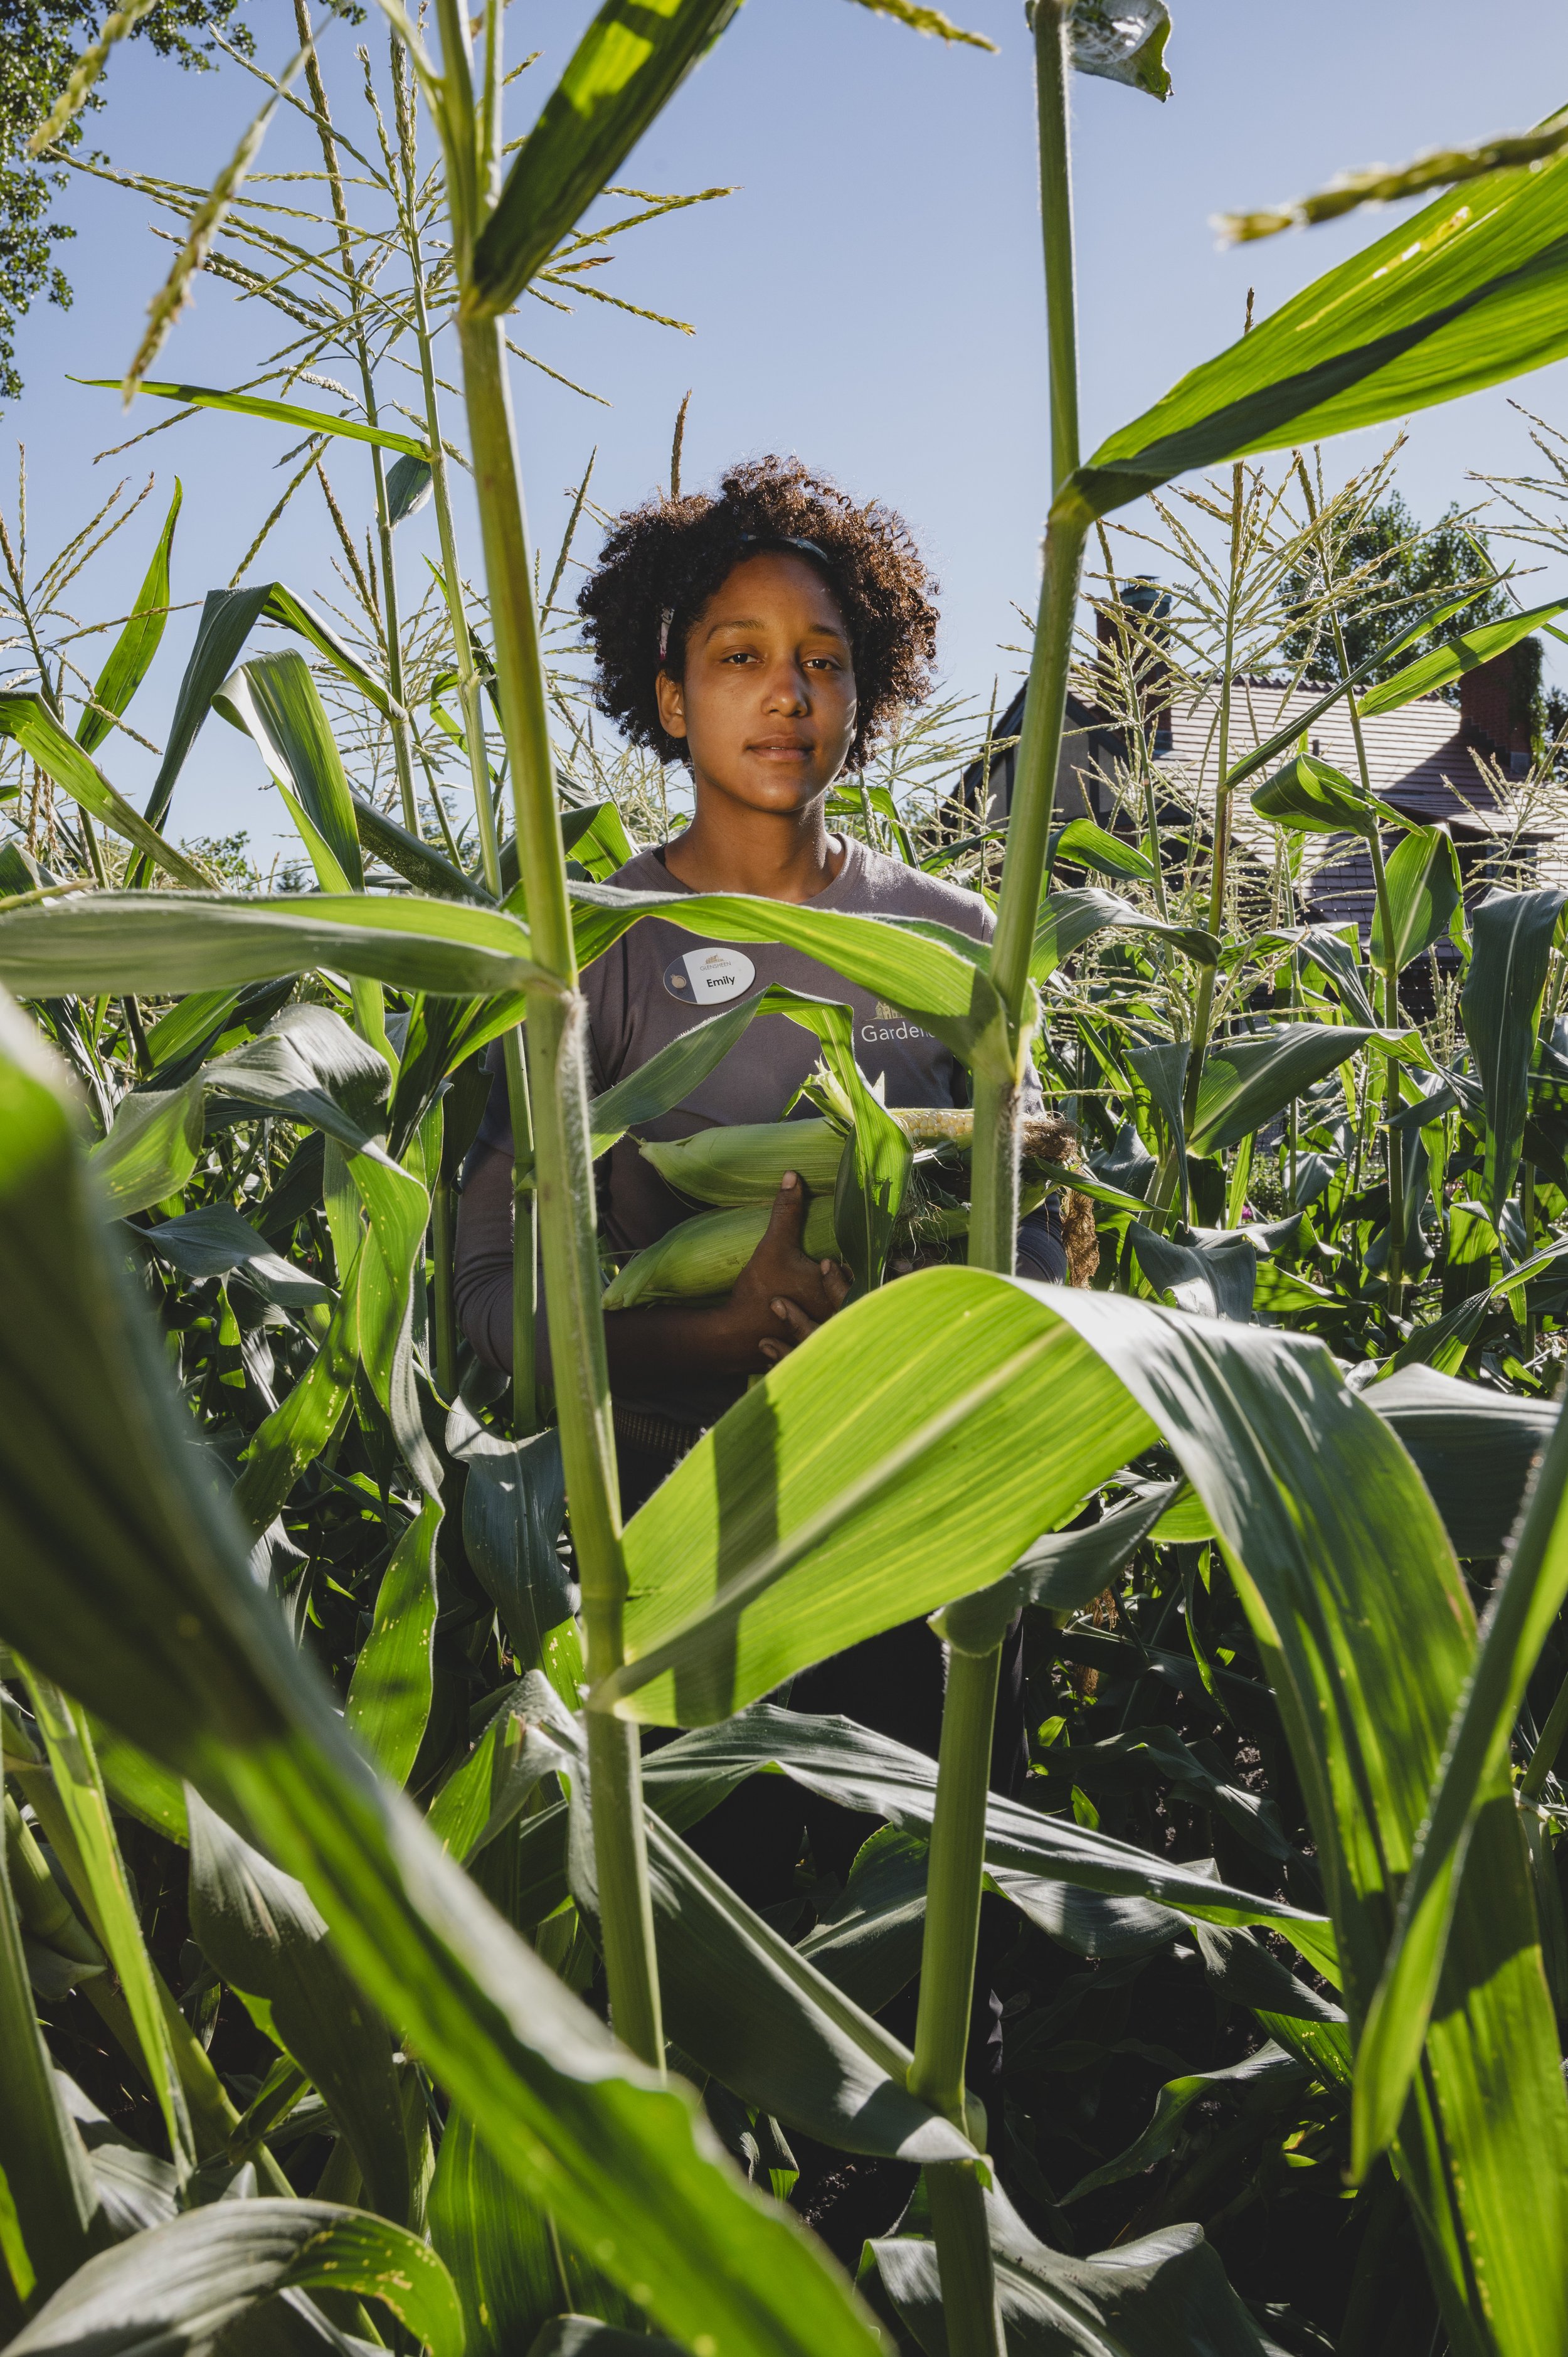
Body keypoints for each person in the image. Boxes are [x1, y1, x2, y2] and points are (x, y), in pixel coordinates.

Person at [453, 456, 1064, 2193]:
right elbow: (493, 1308)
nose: (783, 695)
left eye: (818, 658)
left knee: (934, 2011)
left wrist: (1051, 1253)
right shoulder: (585, 958)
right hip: (687, 1570)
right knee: (716, 2015)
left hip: (925, 1556)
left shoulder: (952, 942)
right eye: (735, 655)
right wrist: (696, 1345)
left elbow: (1030, 1255)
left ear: (867, 685)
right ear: (663, 693)